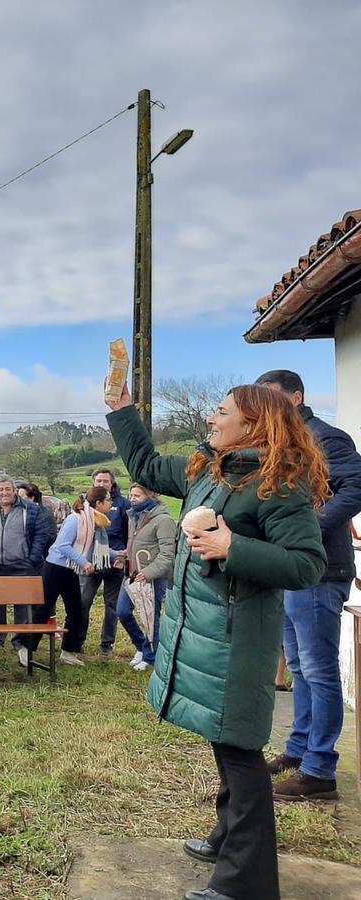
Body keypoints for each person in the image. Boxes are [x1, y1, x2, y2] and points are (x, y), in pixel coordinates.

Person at [107, 382, 327, 900]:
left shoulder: (279, 482)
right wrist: (122, 411)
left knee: (241, 753)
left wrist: (233, 545)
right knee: (224, 744)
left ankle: (244, 884)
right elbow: (145, 465)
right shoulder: (209, 468)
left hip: (237, 642)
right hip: (206, 637)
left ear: (253, 424)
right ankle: (227, 836)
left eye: (222, 412)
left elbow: (307, 564)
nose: (211, 417)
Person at [255, 369, 361, 802]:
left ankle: (320, 770)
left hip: (319, 570)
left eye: (273, 399)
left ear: (296, 397)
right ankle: (298, 752)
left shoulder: (324, 437)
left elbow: (355, 487)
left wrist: (310, 529)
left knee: (318, 671)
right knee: (299, 669)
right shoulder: (282, 443)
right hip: (291, 570)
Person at [26, 486, 113, 667]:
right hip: (55, 568)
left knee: (76, 610)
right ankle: (26, 647)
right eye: (109, 500)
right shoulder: (76, 520)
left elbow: (97, 550)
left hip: (70, 570)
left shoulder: (94, 523)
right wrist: (84, 563)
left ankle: (68, 651)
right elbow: (63, 546)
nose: (112, 504)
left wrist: (120, 553)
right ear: (98, 503)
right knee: (44, 609)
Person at [0, 476, 48, 667]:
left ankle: (20, 640)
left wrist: (32, 557)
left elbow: (41, 535)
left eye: (8, 489)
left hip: (21, 564)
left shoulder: (29, 509)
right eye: (1, 490)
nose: (4, 493)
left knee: (22, 604)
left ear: (14, 490)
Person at [116, 484, 176, 672]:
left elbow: (168, 554)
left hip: (153, 578)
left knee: (152, 618)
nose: (132, 498)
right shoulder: (134, 516)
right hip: (133, 574)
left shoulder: (164, 520)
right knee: (123, 612)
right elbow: (136, 544)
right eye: (131, 494)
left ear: (151, 496)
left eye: (137, 495)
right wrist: (124, 557)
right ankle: (142, 646)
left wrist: (149, 572)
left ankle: (151, 657)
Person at [82, 468, 132, 658]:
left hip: (115, 564)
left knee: (111, 606)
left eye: (105, 481)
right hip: (91, 563)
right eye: (98, 481)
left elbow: (129, 536)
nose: (101, 484)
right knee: (84, 602)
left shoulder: (123, 504)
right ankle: (79, 640)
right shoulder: (85, 504)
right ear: (93, 483)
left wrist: (123, 559)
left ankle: (107, 645)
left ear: (112, 484)